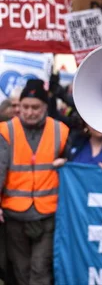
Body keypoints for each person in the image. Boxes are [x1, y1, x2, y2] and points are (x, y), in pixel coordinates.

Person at [0, 80, 70, 285]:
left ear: (45, 108)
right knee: (20, 268)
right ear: (19, 107)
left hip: (47, 214)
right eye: (25, 107)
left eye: (35, 107)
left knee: (40, 269)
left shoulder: (61, 131)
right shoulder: (5, 131)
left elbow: (73, 166)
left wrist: (66, 163)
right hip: (15, 214)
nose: (30, 112)